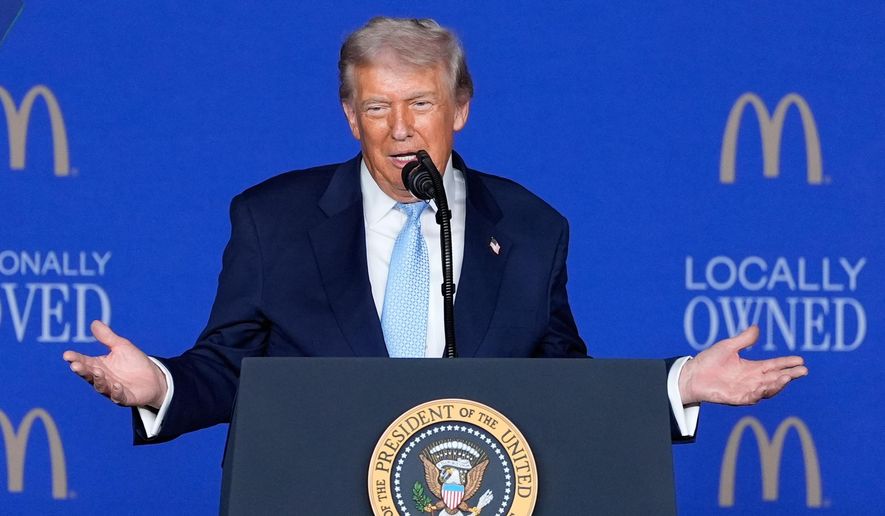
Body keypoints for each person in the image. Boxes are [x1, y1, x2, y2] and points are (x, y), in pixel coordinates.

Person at [63, 17, 806, 445]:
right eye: (376, 108)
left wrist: (679, 385)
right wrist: (155, 382)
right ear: (350, 117)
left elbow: (556, 385)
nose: (399, 131)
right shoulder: (272, 218)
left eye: (420, 104)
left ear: (460, 108)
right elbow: (231, 368)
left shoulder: (529, 226)